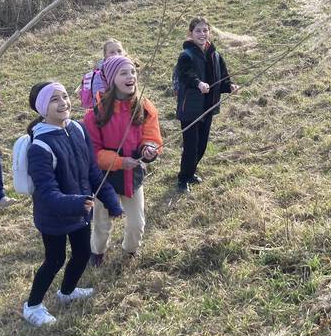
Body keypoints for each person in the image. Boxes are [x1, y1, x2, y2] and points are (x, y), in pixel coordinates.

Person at [23, 81, 123, 327]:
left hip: (80, 209)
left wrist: (111, 200)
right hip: (55, 216)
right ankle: (32, 305)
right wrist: (77, 203)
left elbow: (91, 170)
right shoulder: (39, 147)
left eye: (65, 96)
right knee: (54, 260)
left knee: (82, 252)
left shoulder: (77, 129)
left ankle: (66, 292)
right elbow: (47, 192)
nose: (63, 103)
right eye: (54, 99)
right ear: (42, 108)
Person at [83, 55, 162, 266]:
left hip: (132, 174)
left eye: (133, 72)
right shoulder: (95, 113)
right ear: (110, 79)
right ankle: (97, 252)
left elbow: (152, 136)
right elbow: (93, 152)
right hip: (105, 177)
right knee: (102, 221)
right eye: (123, 73)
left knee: (137, 222)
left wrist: (149, 149)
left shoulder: (144, 106)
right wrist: (118, 161)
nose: (131, 77)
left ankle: (129, 251)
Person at [175, 16, 238, 193]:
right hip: (190, 108)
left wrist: (230, 86)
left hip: (208, 107)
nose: (202, 34)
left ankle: (191, 172)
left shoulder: (215, 55)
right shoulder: (186, 55)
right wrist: (198, 84)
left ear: (209, 32)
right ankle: (183, 179)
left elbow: (222, 78)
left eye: (205, 30)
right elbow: (186, 75)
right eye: (198, 31)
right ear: (191, 33)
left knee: (202, 145)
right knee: (191, 145)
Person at [77, 38, 127, 109]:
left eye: (119, 51)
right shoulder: (99, 75)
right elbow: (99, 99)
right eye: (112, 52)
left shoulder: (127, 69)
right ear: (105, 55)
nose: (116, 54)